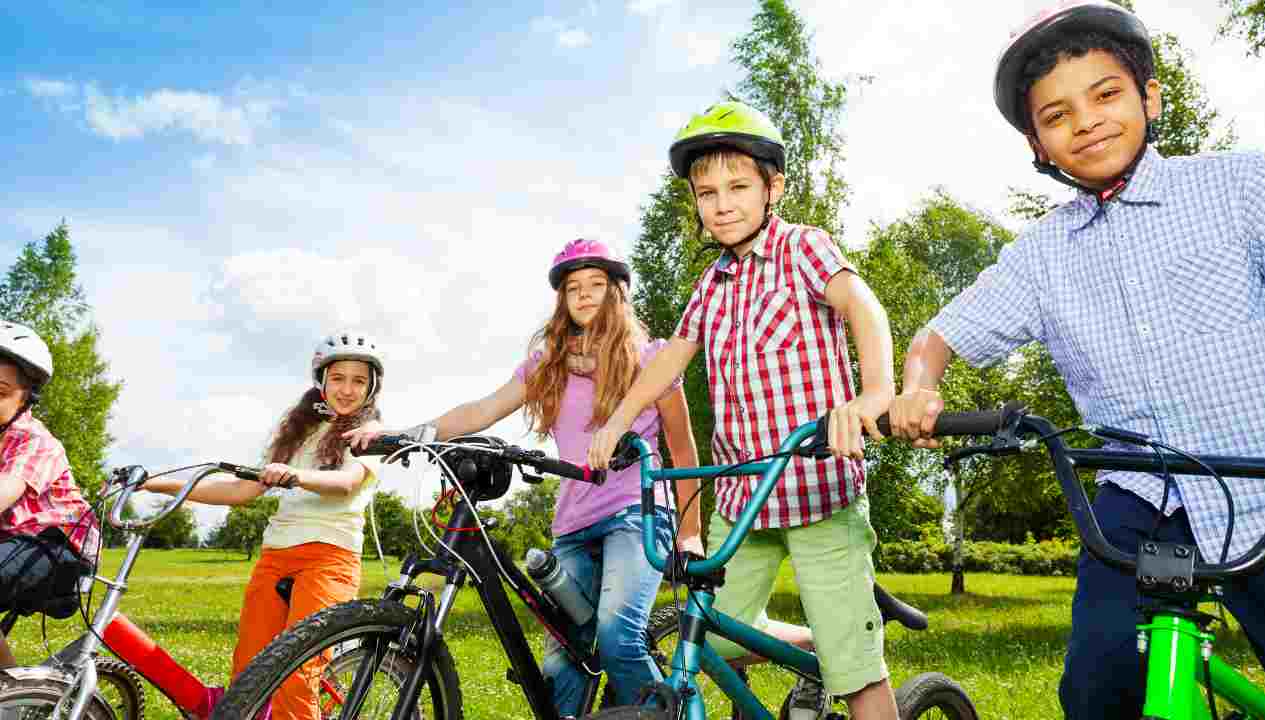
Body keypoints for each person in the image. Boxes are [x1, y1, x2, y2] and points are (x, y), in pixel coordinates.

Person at [888, 2, 1265, 716]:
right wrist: (919, 387)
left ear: (1149, 97)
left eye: (1106, 94)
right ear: (1039, 146)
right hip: (1140, 499)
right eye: (1057, 115)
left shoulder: (1242, 187)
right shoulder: (1041, 257)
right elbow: (938, 337)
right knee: (1096, 687)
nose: (1088, 121)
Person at [587, 100, 898, 720]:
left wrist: (874, 394)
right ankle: (816, 655)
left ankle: (843, 660)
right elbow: (671, 359)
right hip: (740, 500)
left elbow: (865, 308)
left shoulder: (802, 249)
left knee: (858, 677)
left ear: (772, 188)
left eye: (737, 187)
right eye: (706, 193)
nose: (721, 204)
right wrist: (619, 419)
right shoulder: (711, 283)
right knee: (714, 640)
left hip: (819, 489)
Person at [347, 239, 702, 717]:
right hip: (574, 523)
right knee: (563, 658)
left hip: (636, 513)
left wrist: (691, 532)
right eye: (573, 287)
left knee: (617, 634)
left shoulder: (652, 357)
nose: (584, 294)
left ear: (618, 292)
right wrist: (408, 433)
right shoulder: (548, 363)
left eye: (597, 284)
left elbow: (682, 448)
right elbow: (485, 408)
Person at [144, 331, 384, 720]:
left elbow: (345, 484)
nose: (347, 389)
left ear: (371, 387)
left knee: (297, 673)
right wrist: (156, 482)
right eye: (338, 378)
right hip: (277, 555)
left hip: (330, 557)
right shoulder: (296, 431)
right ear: (322, 381)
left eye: (359, 380)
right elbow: (239, 491)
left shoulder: (370, 435)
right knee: (250, 670)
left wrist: (295, 476)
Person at [0, 321, 100, 668]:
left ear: (27, 397)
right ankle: (11, 693)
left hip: (60, 554)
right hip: (14, 546)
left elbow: (6, 489)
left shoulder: (34, 440)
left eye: (0, 392)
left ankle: (10, 699)